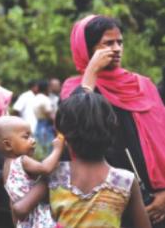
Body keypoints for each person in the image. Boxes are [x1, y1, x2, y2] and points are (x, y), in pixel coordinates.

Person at [61, 15, 165, 226]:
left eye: (120, 42)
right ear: (87, 49)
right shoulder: (76, 88)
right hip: (103, 200)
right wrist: (90, 72)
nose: (117, 48)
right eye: (108, 43)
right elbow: (74, 122)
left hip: (155, 199)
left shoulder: (142, 86)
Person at [49, 91, 152, 227]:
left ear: (65, 135)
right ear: (112, 130)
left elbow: (20, 210)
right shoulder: (125, 180)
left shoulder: (53, 174)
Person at [0, 115, 63, 228]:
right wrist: (57, 149)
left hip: (25, 222)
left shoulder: (7, 165)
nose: (33, 141)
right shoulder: (22, 161)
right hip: (38, 218)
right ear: (8, 145)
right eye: (26, 137)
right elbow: (45, 168)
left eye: (32, 136)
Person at [30, 80, 55, 159]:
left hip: (38, 125)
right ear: (46, 88)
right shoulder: (45, 99)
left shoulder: (36, 98)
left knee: (40, 150)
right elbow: (50, 116)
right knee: (48, 151)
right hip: (46, 127)